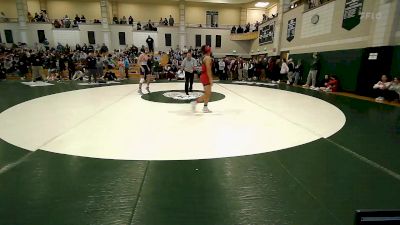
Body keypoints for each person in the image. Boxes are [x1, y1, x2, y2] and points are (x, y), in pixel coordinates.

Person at [190, 45, 213, 113]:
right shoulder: (208, 58)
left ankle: (205, 107)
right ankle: (195, 102)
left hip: (204, 76)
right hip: (206, 76)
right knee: (207, 94)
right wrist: (211, 79)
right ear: (209, 50)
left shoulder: (204, 57)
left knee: (208, 93)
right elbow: (208, 70)